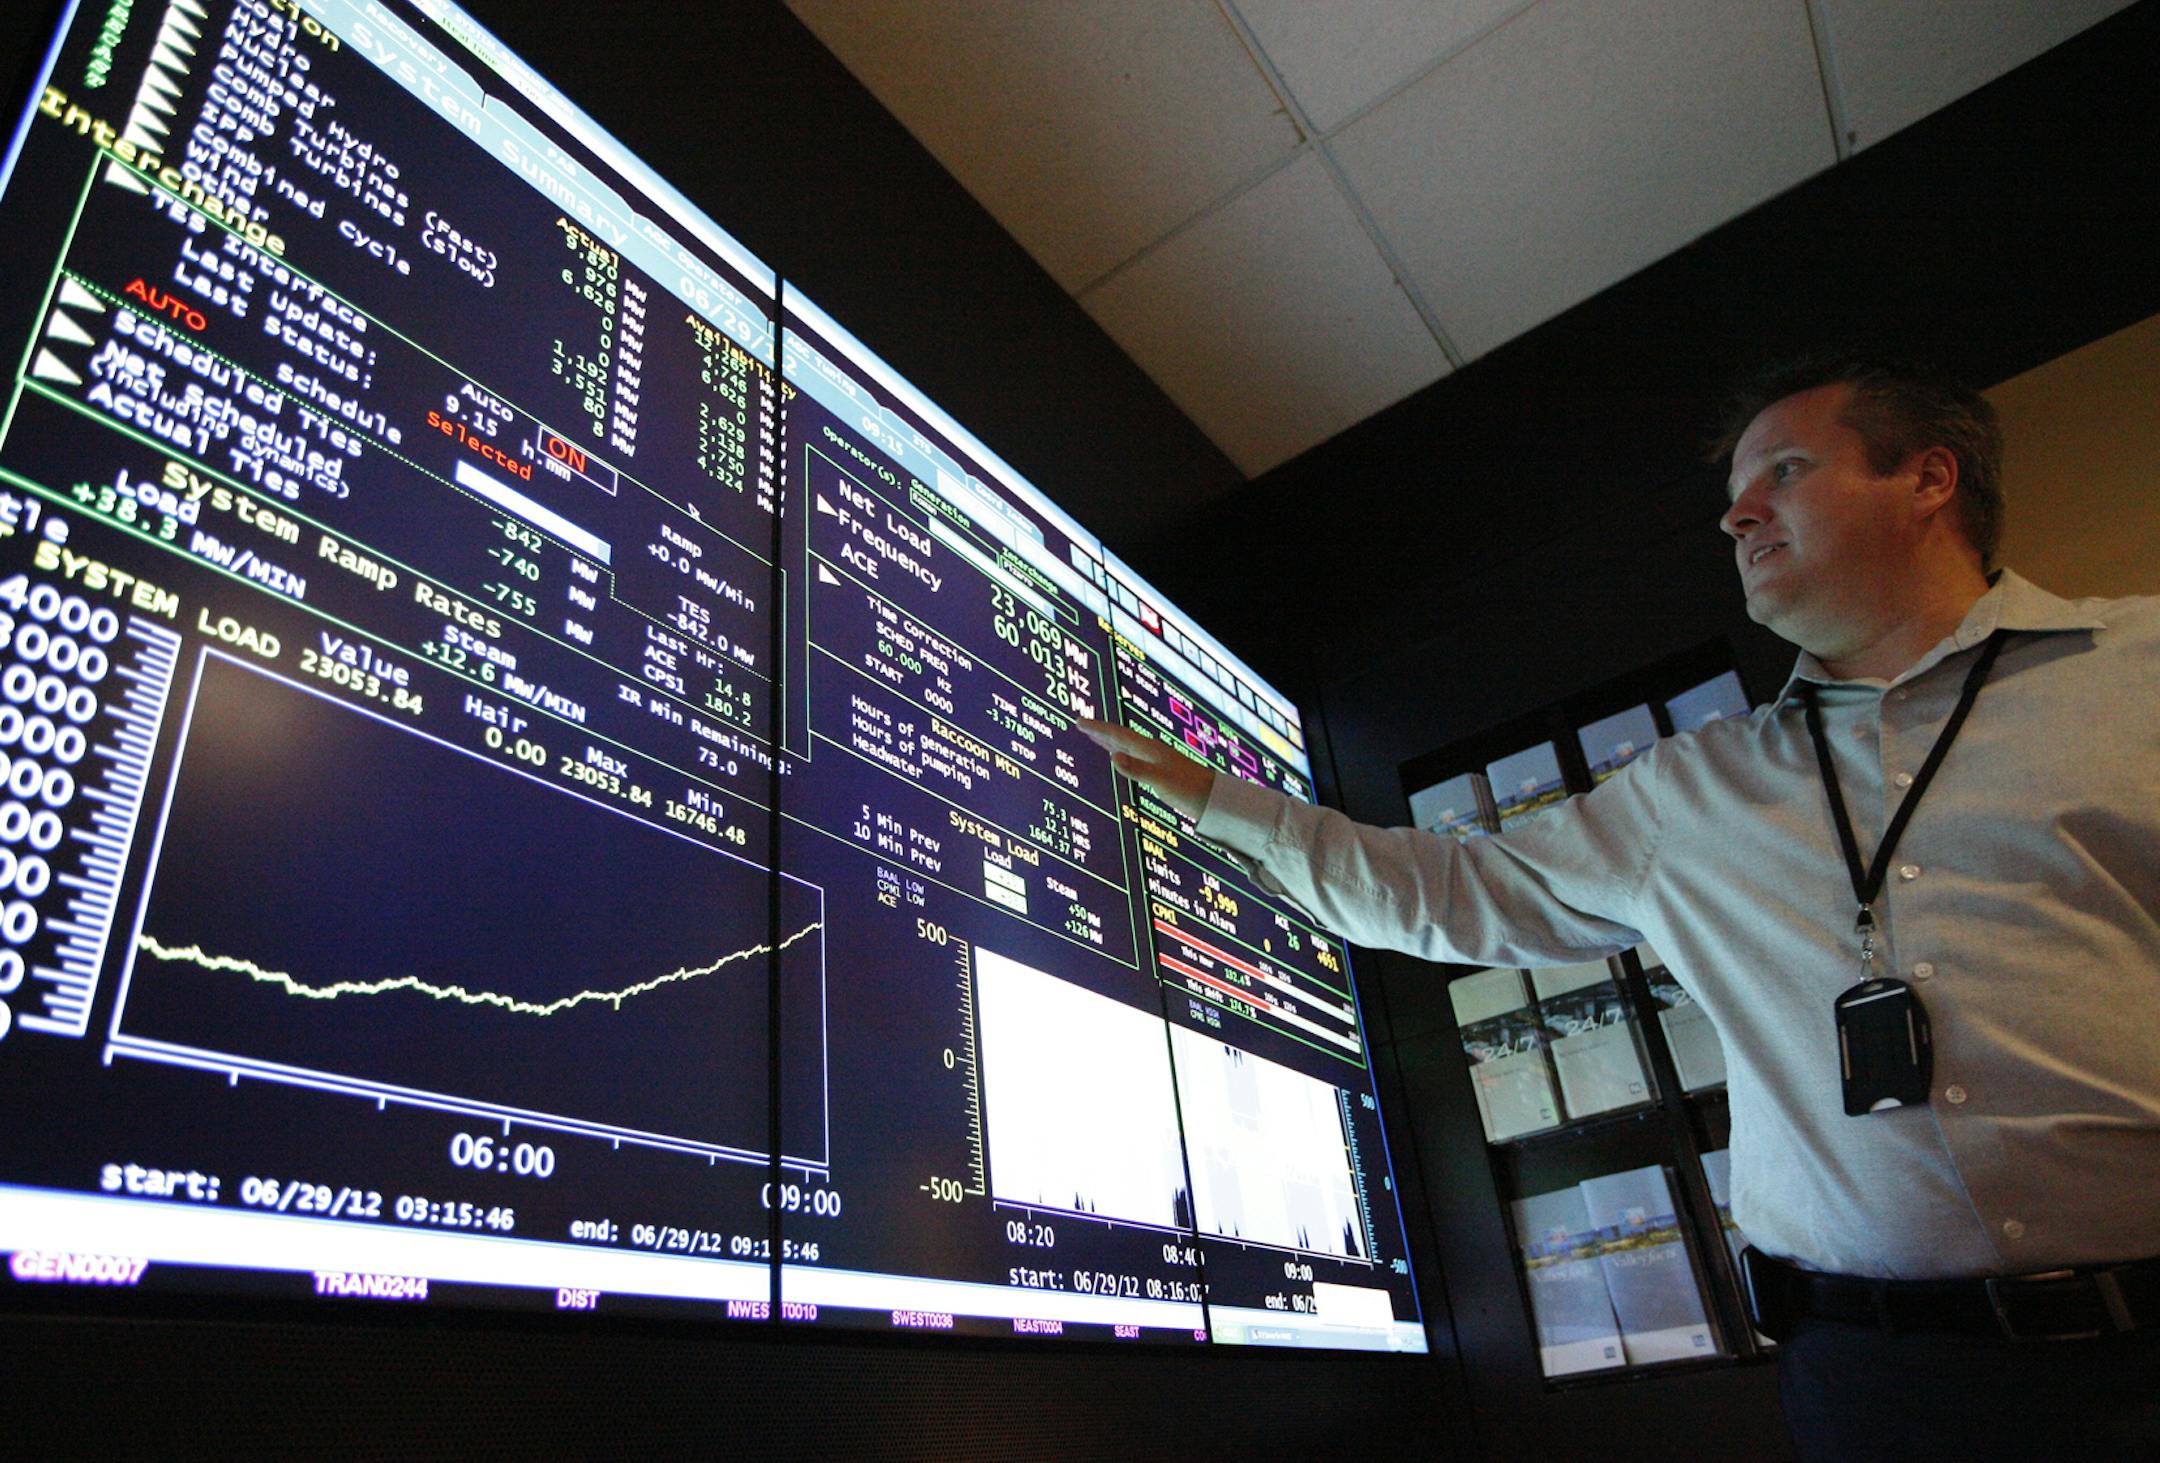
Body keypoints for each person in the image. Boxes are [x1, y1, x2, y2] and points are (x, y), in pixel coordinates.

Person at [1081, 358, 2160, 1462]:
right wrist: (1226, 804)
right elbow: (1459, 891)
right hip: (1875, 1384)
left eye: (1786, 471)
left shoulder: (2137, 672)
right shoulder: (1696, 787)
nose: (1738, 515)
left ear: (1929, 478)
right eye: (1736, 494)